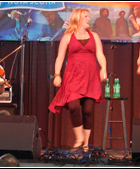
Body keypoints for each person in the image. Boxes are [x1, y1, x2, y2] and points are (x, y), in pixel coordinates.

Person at [48, 8, 107, 152]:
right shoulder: (68, 37)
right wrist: (57, 74)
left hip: (90, 76)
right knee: (73, 106)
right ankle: (79, 137)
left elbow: (100, 54)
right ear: (78, 19)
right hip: (73, 76)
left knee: (88, 110)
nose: (89, 19)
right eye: (86, 16)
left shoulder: (94, 36)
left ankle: (85, 144)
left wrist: (103, 68)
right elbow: (60, 57)